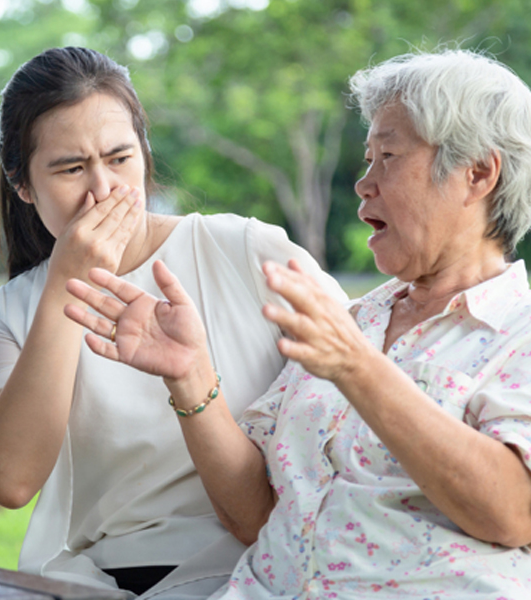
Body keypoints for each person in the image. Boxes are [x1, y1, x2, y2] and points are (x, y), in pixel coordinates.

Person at [65, 48, 531, 598]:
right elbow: (255, 517)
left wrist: (359, 369)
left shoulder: (515, 330)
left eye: (388, 156)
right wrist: (190, 376)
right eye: (368, 159)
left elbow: (514, 513)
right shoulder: (355, 321)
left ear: (477, 173)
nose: (364, 183)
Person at [0, 46, 347, 598]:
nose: (103, 190)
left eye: (119, 158)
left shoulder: (245, 250)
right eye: (71, 169)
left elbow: (360, 383)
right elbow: (10, 480)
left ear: (145, 153)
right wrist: (65, 285)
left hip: (258, 566)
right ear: (23, 185)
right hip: (98, 578)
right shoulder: (14, 310)